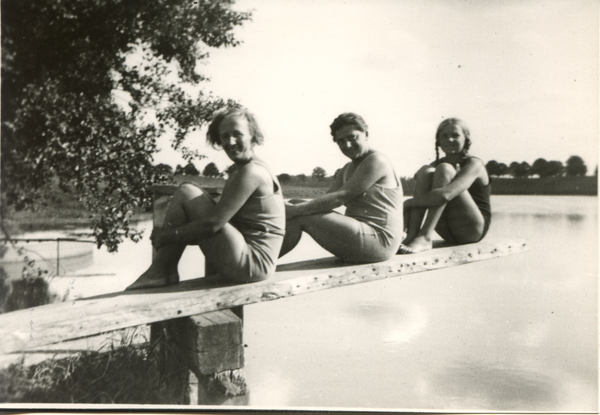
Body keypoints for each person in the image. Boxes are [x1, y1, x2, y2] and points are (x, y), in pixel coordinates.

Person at [126, 107, 285, 290]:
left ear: (252, 135)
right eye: (224, 136)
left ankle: (160, 271)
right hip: (254, 262)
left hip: (253, 264)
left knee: (186, 192)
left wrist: (166, 236)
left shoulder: (250, 172)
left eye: (237, 134)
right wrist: (174, 235)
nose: (230, 142)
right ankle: (164, 271)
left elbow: (213, 225)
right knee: (188, 196)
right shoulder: (252, 168)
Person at [279, 112, 403, 263]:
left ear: (366, 134)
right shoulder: (347, 168)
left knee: (299, 214)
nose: (347, 145)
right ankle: (261, 258)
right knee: (296, 203)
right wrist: (287, 207)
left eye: (352, 137)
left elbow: (340, 198)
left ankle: (262, 261)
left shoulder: (376, 160)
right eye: (341, 141)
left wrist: (293, 211)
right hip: (360, 236)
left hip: (380, 241)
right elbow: (325, 200)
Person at [398, 117, 491, 254]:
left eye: (455, 135)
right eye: (444, 136)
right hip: (448, 230)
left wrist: (407, 203)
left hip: (472, 230)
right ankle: (412, 235)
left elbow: (445, 195)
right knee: (425, 171)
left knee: (445, 169)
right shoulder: (432, 167)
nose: (449, 139)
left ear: (466, 138)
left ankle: (425, 237)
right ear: (438, 141)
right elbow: (420, 180)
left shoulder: (474, 164)